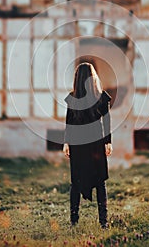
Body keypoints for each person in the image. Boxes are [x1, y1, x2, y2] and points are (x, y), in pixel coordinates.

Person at [63, 62, 113, 229]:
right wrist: (108, 141)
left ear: (77, 79)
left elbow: (69, 122)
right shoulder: (101, 97)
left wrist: (67, 142)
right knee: (100, 181)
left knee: (76, 182)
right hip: (96, 142)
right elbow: (107, 121)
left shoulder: (72, 98)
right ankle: (103, 222)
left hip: (78, 143)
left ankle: (73, 221)